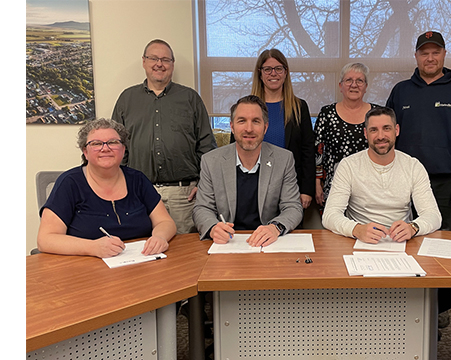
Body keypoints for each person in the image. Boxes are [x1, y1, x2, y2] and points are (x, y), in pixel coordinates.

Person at [112, 39, 217, 234]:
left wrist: (204, 185)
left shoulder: (190, 98)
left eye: (165, 59)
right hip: (140, 193)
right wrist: (122, 186)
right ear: (144, 62)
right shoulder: (127, 99)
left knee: (186, 255)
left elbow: (207, 146)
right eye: (154, 58)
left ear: (172, 64)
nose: (159, 64)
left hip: (184, 196)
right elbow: (117, 147)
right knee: (144, 251)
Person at [37, 118, 177, 258]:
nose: (105, 148)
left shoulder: (137, 179)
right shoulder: (69, 183)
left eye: (113, 142)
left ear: (123, 149)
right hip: (86, 269)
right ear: (85, 152)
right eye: (96, 143)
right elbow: (46, 239)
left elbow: (165, 221)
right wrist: (92, 247)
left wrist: (160, 237)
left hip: (141, 263)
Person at [386, 31, 451, 232]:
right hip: (404, 181)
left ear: (444, 54)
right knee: (401, 238)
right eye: (424, 53)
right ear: (416, 56)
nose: (430, 58)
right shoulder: (401, 91)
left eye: (435, 52)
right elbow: (386, 136)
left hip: (446, 184)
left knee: (445, 242)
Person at [194, 95, 303, 247]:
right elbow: (202, 208)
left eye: (256, 121)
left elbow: (293, 207)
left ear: (265, 127)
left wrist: (275, 228)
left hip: (269, 244)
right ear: (232, 127)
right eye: (242, 121)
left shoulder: (283, 159)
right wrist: (213, 228)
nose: (249, 129)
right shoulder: (211, 161)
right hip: (228, 245)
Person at [322, 106, 441, 243]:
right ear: (366, 133)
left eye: (386, 128)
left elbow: (433, 215)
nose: (380, 136)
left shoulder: (413, 166)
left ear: (396, 130)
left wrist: (413, 227)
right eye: (374, 130)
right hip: (359, 241)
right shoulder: (348, 166)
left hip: (401, 242)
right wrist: (356, 229)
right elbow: (330, 215)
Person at [238, 48, 315, 210]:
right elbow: (236, 148)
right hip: (253, 184)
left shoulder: (299, 107)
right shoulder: (246, 107)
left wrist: (307, 190)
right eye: (267, 69)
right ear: (260, 73)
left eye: (278, 68)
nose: (273, 73)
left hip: (291, 186)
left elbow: (308, 151)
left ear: (286, 72)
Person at [314, 62, 381, 209]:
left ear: (366, 86)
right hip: (333, 187)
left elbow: (386, 150)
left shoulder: (378, 114)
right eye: (349, 80)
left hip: (371, 188)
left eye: (359, 81)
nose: (354, 85)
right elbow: (317, 151)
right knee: (335, 228)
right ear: (340, 86)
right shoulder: (327, 113)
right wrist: (317, 183)